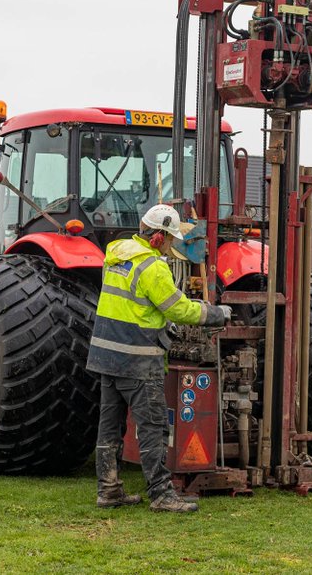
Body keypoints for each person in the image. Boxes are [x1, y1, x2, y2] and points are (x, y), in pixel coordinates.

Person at [87, 203, 231, 513]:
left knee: (109, 428)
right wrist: (216, 313)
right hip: (138, 359)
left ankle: (108, 490)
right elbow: (178, 308)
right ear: (158, 237)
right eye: (170, 239)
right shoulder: (152, 266)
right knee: (153, 427)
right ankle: (161, 494)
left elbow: (131, 305)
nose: (171, 246)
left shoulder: (116, 255)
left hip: (107, 356)